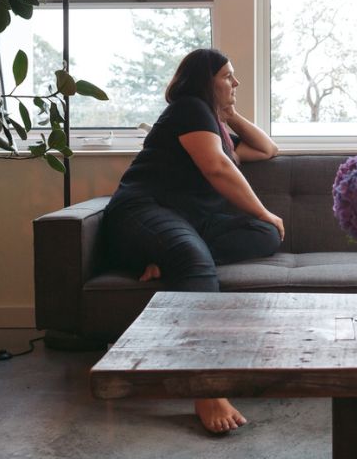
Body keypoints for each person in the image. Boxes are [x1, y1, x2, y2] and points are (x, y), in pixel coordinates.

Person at [103, 48, 283, 434]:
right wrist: (264, 210)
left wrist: (229, 113)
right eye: (227, 77)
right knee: (199, 254)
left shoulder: (214, 128)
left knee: (265, 235)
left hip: (186, 220)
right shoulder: (188, 109)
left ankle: (166, 257)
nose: (235, 83)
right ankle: (205, 385)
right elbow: (216, 168)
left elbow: (268, 149)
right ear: (205, 81)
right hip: (142, 210)